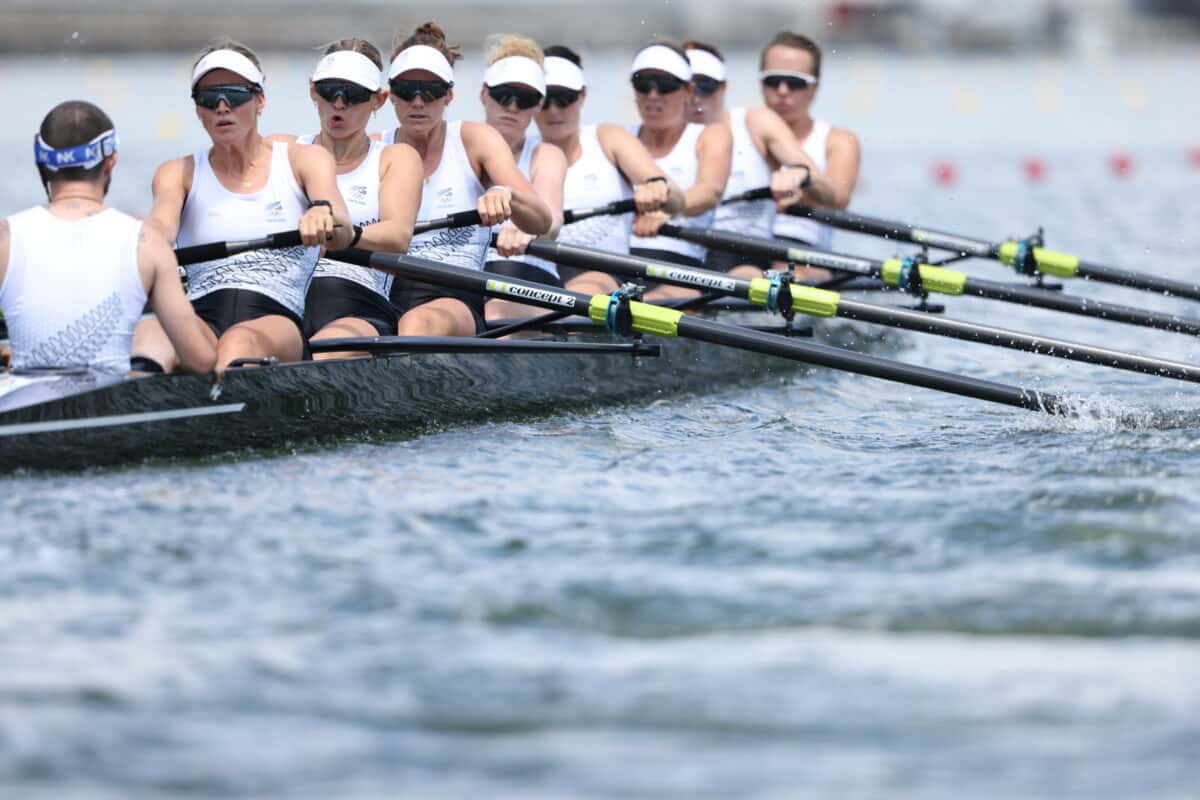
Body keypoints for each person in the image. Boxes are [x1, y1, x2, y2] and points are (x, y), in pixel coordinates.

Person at [133, 39, 355, 373]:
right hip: (200, 317)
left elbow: (343, 227)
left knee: (239, 341)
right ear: (198, 109)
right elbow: (160, 230)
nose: (222, 107)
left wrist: (322, 213)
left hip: (277, 321)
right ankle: (131, 400)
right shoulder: (176, 173)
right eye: (209, 99)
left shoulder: (304, 159)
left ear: (260, 100)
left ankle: (226, 400)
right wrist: (136, 243)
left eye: (235, 95)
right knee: (148, 331)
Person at [0, 101, 214, 376]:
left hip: (26, 406)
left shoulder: (6, 237)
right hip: (113, 402)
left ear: (42, 163)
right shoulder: (147, 242)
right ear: (111, 161)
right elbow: (200, 361)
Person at [379, 22, 553, 336]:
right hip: (381, 294)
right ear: (390, 95)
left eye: (430, 92)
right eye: (407, 91)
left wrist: (507, 196)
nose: (418, 102)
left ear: (449, 95)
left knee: (416, 324)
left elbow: (540, 220)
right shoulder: (375, 146)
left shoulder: (474, 140)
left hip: (452, 295)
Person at [278, 39, 423, 358]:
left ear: (379, 100)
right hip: (281, 297)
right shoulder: (284, 150)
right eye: (330, 90)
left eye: (354, 94)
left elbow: (398, 235)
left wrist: (346, 236)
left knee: (315, 358)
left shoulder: (395, 158)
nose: (339, 103)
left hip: (356, 303)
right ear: (312, 90)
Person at [534, 45, 685, 296]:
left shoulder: (607, 137)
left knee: (583, 289)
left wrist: (657, 187)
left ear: (582, 96)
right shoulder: (519, 150)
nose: (554, 110)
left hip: (604, 275)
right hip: (539, 274)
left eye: (564, 98)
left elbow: (677, 201)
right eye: (544, 100)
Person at [684, 41, 839, 280]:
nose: (695, 97)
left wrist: (801, 174)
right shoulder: (644, 137)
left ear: (723, 87)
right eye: (684, 87)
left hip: (742, 259)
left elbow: (829, 192)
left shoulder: (755, 122)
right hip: (681, 254)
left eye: (705, 86)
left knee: (748, 275)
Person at [625, 41, 732, 299]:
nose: (653, 95)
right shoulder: (620, 139)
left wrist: (670, 209)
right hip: (619, 263)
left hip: (681, 268)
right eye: (643, 85)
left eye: (665, 86)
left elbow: (709, 191)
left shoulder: (711, 136)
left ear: (688, 91)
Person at [477, 34, 566, 321]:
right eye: (503, 95)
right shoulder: (456, 143)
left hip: (526, 272)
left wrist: (528, 226)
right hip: (463, 273)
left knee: (494, 313)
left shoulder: (546, 154)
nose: (513, 107)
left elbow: (551, 219)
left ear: (538, 106)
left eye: (525, 99)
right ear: (483, 95)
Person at [760, 31, 861, 253]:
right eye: (773, 81)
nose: (783, 91)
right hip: (741, 246)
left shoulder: (838, 141)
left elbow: (839, 199)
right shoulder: (734, 134)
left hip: (805, 253)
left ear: (814, 88)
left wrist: (802, 191)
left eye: (795, 83)